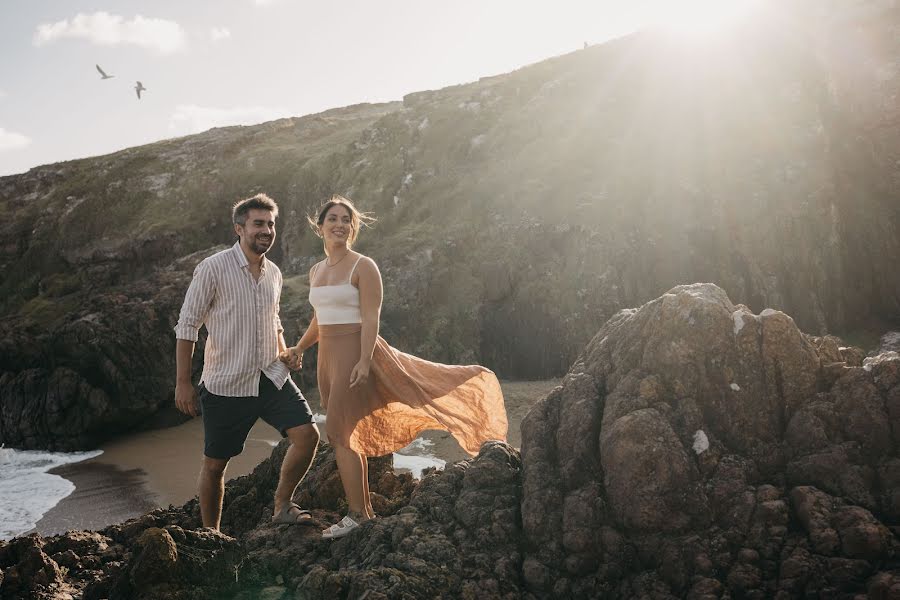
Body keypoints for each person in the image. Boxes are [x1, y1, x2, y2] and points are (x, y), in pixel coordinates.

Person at [280, 194, 508, 539]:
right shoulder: (316, 270)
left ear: (352, 228)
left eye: (346, 220)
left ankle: (357, 514)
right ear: (320, 226)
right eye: (333, 219)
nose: (340, 224)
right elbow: (319, 317)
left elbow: (371, 317)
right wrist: (299, 346)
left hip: (356, 350)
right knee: (345, 433)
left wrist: (364, 359)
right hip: (327, 355)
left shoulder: (363, 266)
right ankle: (364, 513)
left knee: (339, 433)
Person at [173, 193, 320, 530]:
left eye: (270, 224)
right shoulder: (212, 268)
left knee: (308, 436)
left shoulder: (274, 273)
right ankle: (212, 534)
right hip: (227, 384)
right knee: (215, 465)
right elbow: (187, 326)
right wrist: (183, 382)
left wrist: (285, 351)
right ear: (239, 228)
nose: (266, 230)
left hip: (272, 377)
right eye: (258, 224)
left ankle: (283, 505)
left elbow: (274, 320)